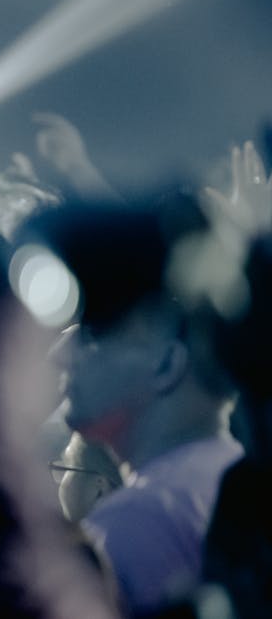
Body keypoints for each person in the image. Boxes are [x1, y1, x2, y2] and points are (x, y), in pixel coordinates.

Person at [31, 197, 242, 614]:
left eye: (93, 332)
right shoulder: (230, 476)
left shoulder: (136, 526)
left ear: (166, 360)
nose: (63, 353)